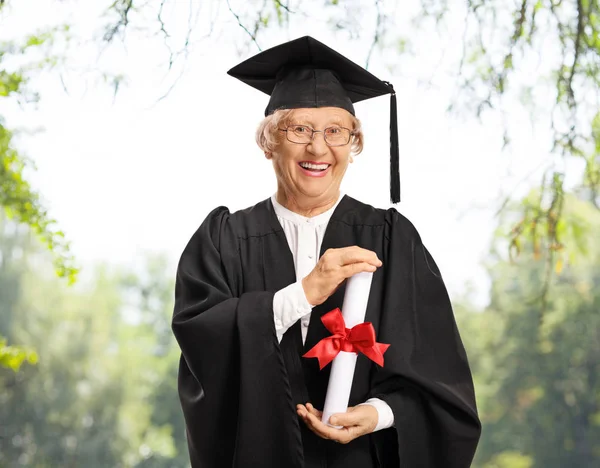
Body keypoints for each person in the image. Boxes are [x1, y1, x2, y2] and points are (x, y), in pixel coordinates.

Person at [171, 36, 481, 468]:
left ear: (353, 147)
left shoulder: (391, 238)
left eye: (335, 131)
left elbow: (441, 378)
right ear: (268, 143)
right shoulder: (224, 238)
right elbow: (201, 343)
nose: (318, 148)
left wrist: (377, 415)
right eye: (299, 129)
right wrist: (302, 294)